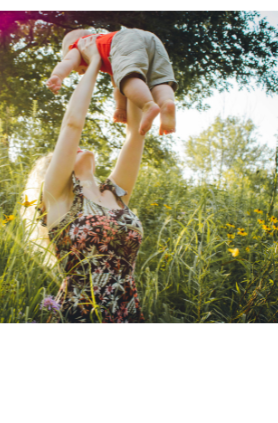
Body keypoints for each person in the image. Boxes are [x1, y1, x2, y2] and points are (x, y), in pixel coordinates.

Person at [31, 35, 147, 323]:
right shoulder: (59, 196)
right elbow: (73, 124)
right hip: (79, 314)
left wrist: (122, 66)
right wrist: (94, 61)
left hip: (127, 313)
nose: (78, 146)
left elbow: (136, 134)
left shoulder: (115, 193)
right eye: (73, 149)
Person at [45, 27, 178, 136]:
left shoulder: (79, 46)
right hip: (151, 38)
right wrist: (120, 108)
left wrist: (58, 75)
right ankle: (166, 103)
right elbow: (118, 85)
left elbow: (68, 61)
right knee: (159, 80)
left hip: (125, 39)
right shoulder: (109, 52)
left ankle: (148, 105)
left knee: (129, 79)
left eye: (77, 70)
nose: (79, 72)